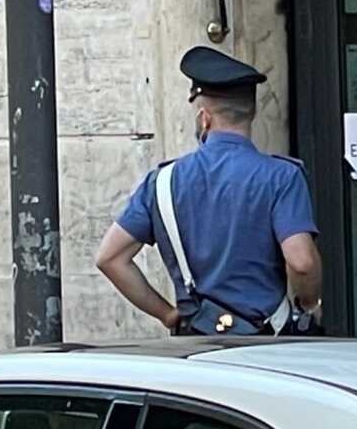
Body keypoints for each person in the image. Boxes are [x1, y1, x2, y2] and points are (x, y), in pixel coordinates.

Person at [95, 46, 323, 335]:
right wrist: (309, 305)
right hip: (267, 344)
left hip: (196, 346)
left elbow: (110, 258)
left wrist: (167, 314)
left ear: (204, 118)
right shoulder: (282, 177)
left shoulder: (163, 182)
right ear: (250, 114)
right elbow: (301, 262)